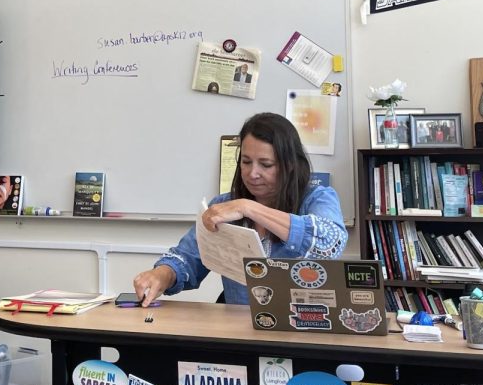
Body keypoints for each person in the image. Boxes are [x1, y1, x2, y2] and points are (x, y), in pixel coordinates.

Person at [133, 112, 347, 306]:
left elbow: (330, 243)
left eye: (266, 164)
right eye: (246, 162)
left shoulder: (317, 198)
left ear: (289, 164)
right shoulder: (224, 206)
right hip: (239, 332)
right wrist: (162, 274)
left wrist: (249, 208)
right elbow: (188, 258)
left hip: (302, 329)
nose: (252, 173)